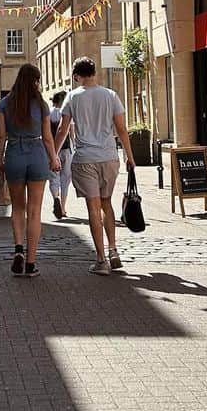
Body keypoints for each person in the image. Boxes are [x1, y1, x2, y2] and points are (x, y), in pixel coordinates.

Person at [56, 58, 136, 276]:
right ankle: (113, 250)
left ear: (76, 76)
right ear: (94, 73)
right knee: (106, 204)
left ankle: (101, 260)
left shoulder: (72, 97)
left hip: (85, 158)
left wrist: (53, 155)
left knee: (93, 207)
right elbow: (121, 129)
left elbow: (63, 130)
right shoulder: (110, 95)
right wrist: (130, 156)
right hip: (109, 157)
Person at [0, 64, 60, 277]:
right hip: (36, 154)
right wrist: (54, 157)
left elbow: (1, 136)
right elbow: (48, 136)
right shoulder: (41, 105)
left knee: (17, 209)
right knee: (34, 211)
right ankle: (31, 262)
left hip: (14, 153)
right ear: (34, 81)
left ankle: (18, 249)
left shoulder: (5, 104)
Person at [48, 90, 74, 219]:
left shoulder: (49, 113)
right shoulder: (66, 113)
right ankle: (63, 208)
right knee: (66, 179)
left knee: (53, 177)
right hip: (66, 149)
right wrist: (73, 146)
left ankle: (55, 198)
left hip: (52, 150)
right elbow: (71, 132)